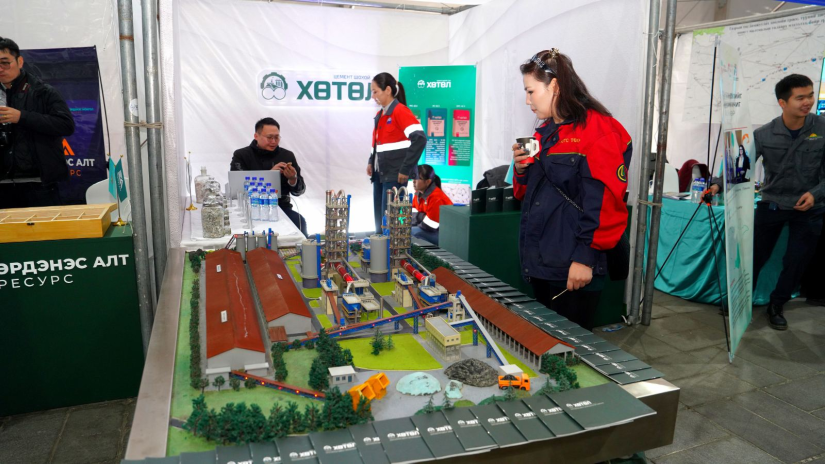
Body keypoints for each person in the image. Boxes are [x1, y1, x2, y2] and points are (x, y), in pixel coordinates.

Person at [511, 49, 632, 330]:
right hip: (542, 261)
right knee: (545, 342)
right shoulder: (544, 133)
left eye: (530, 91)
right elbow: (525, 195)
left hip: (573, 266)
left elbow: (605, 203)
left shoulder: (599, 131)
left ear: (554, 85)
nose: (527, 100)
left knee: (570, 346)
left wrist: (585, 258)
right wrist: (520, 170)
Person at [708, 74, 825, 330]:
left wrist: (815, 194)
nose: (807, 102)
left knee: (796, 261)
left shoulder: (822, 127)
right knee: (754, 256)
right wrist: (716, 184)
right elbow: (739, 166)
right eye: (800, 98)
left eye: (810, 95)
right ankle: (740, 299)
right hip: (772, 204)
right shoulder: (763, 134)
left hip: (810, 208)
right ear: (782, 102)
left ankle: (777, 304)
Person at [0, 37, 75, 209]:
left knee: (46, 226)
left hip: (39, 183)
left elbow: (66, 125)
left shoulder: (43, 91)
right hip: (2, 184)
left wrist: (21, 117)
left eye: (5, 63)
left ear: (19, 61)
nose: (0, 69)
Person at [367, 72, 426, 234]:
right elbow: (378, 143)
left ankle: (392, 249)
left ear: (387, 90)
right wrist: (371, 161)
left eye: (375, 91)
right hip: (380, 174)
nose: (373, 96)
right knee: (380, 221)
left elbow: (420, 139)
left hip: (395, 175)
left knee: (390, 223)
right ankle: (380, 246)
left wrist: (405, 169)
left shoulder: (400, 111)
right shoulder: (380, 115)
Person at [230, 117, 307, 236]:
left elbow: (299, 191)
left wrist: (293, 179)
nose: (274, 141)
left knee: (299, 221)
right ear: (256, 136)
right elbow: (238, 188)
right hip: (251, 209)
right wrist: (269, 174)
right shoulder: (242, 155)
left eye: (277, 137)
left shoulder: (287, 155)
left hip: (280, 207)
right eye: (269, 137)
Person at [411, 164, 453, 245]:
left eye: (417, 178)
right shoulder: (418, 193)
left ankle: (431, 252)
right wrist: (421, 216)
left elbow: (431, 226)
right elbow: (412, 214)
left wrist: (418, 216)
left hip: (444, 234)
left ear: (428, 182)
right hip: (427, 228)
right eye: (414, 177)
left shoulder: (436, 198)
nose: (414, 181)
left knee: (411, 233)